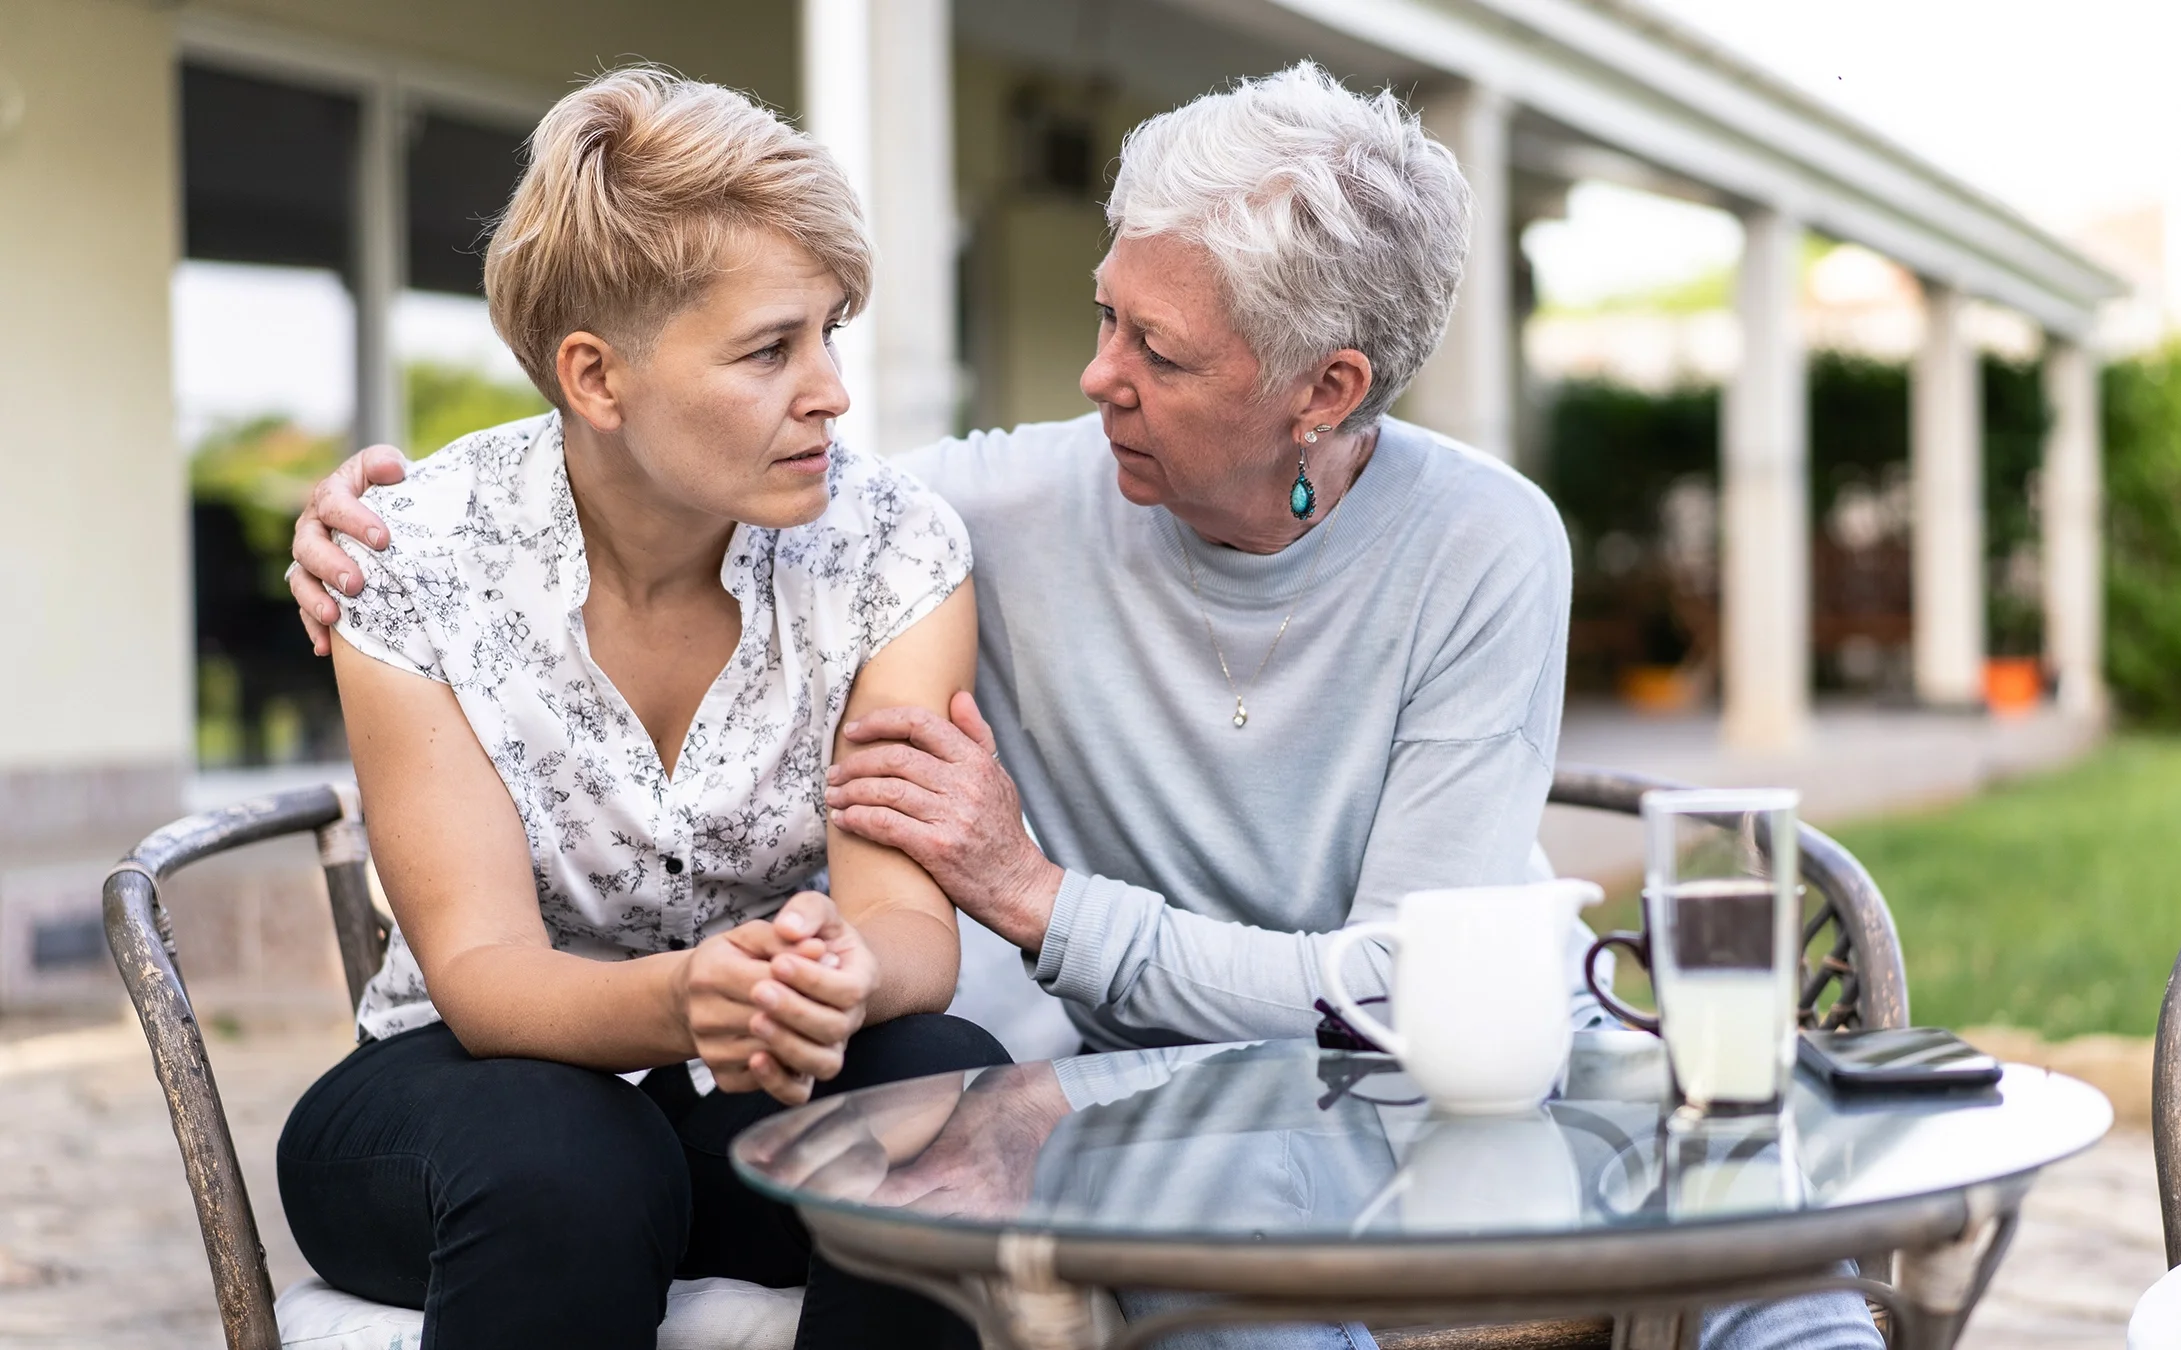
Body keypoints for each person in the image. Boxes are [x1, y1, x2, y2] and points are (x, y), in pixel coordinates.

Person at [289, 63, 1879, 1350]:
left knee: (1777, 1261)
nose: (1091, 373)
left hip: (1439, 1069)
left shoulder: (1478, 543)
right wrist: (360, 531)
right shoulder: (961, 509)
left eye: (1153, 345)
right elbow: (670, 465)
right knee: (640, 1161)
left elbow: (1406, 988)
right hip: (1131, 1105)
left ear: (1323, 389)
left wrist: (1031, 898)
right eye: (1105, 310)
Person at [275, 69, 1007, 1350]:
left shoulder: (892, 553)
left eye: (832, 329)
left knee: (945, 1083)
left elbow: (907, 927)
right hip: (462, 1105)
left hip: (749, 1104)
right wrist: (690, 1000)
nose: (830, 388)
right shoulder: (415, 560)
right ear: (596, 378)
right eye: (772, 348)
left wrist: (835, 976)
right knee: (574, 1156)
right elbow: (489, 977)